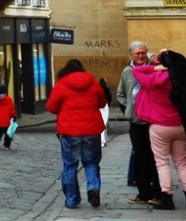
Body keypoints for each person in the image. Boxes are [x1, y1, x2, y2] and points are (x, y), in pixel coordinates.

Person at [46, 58, 107, 210]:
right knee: (91, 162)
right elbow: (102, 103)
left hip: (69, 132)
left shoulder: (61, 85)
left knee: (70, 166)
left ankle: (72, 200)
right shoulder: (93, 84)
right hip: (91, 130)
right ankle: (93, 187)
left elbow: (52, 107)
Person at [132, 49, 186, 210]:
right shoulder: (181, 79)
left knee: (162, 163)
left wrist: (155, 68)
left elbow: (136, 69)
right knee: (182, 164)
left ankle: (167, 198)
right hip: (180, 125)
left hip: (159, 126)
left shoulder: (152, 80)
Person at [117, 41, 161, 206]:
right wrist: (128, 110)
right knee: (140, 157)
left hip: (153, 122)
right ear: (132, 55)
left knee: (156, 159)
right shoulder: (127, 72)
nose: (141, 56)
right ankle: (143, 193)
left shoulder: (154, 69)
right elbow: (121, 94)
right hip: (136, 122)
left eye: (143, 53)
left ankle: (157, 193)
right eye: (138, 53)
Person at [99, 77, 112, 147]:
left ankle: (103, 140)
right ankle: (103, 141)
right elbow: (109, 97)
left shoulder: (97, 87)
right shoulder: (106, 88)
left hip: (99, 106)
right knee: (104, 124)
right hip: (104, 105)